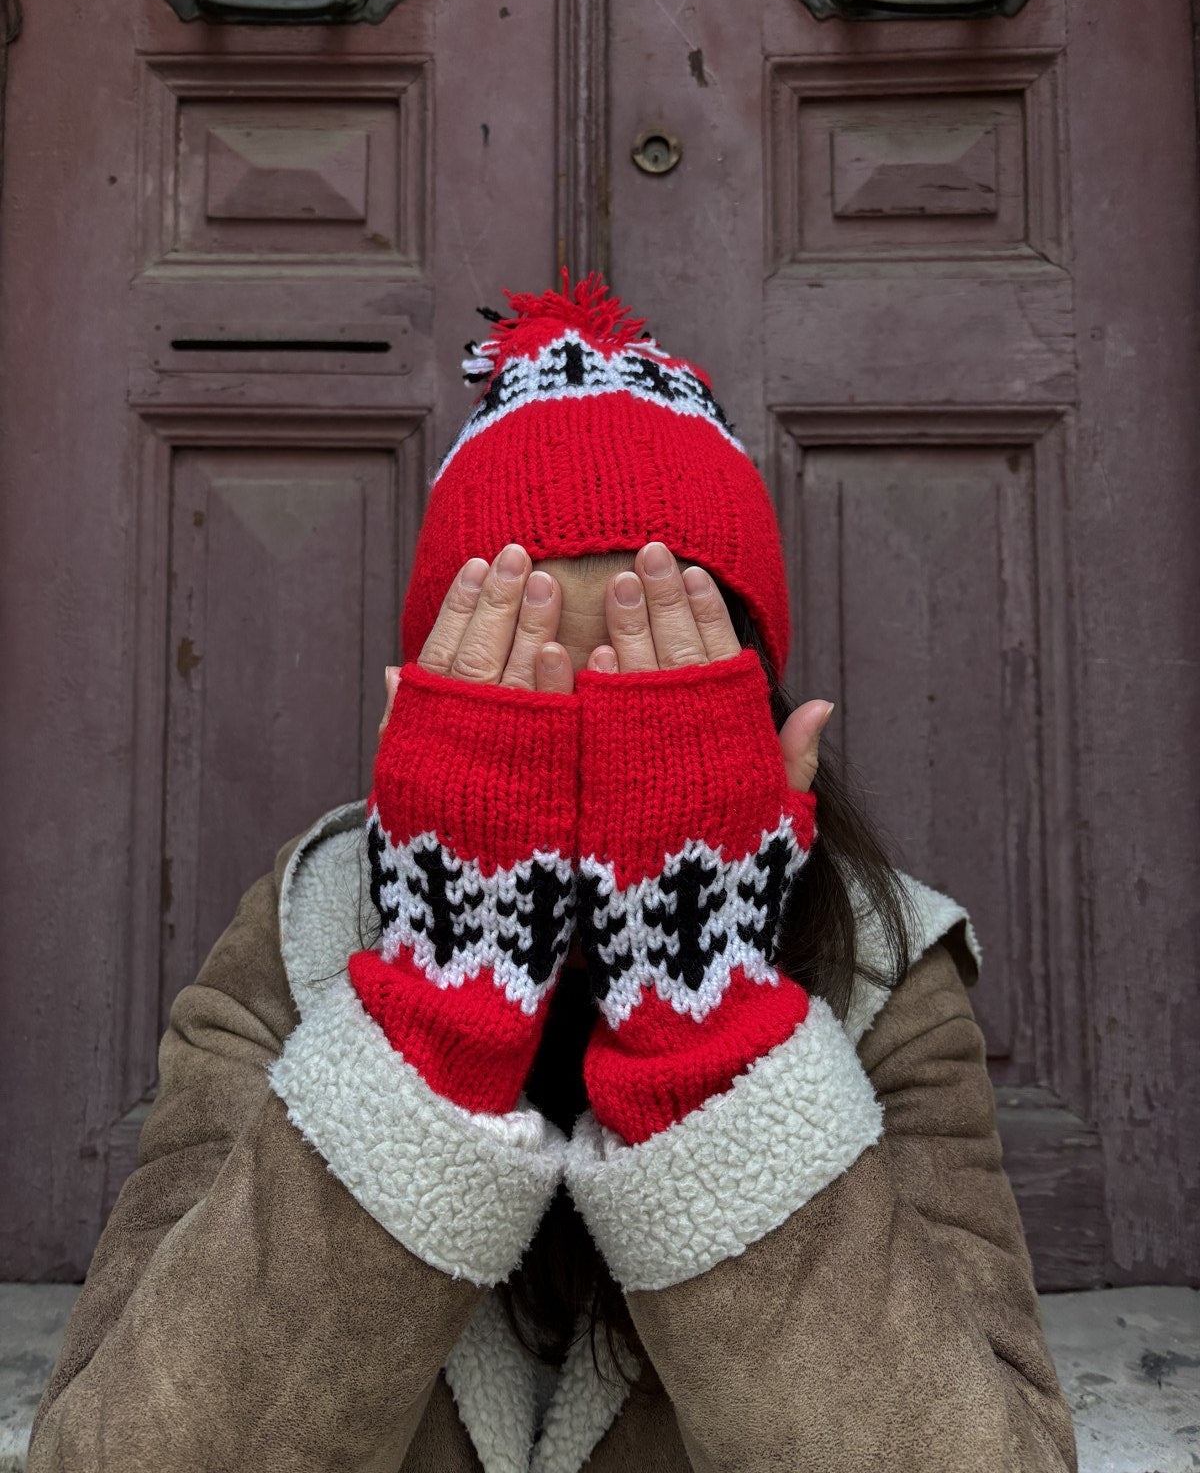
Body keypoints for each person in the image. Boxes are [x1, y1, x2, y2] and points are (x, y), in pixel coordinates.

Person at [27, 272, 1078, 1472]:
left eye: (651, 699)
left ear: (770, 735)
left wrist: (709, 1041)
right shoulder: (305, 936)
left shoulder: (881, 969)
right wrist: (434, 1021)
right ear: (416, 730)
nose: (596, 775)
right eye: (529, 693)